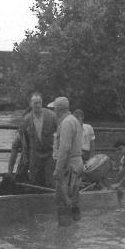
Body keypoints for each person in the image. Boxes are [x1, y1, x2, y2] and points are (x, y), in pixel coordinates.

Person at [48, 97, 84, 226]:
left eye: (54, 109)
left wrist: (58, 170)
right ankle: (74, 231)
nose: (53, 112)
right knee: (73, 199)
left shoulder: (66, 123)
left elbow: (64, 149)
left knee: (62, 200)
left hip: (69, 167)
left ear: (58, 110)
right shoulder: (74, 120)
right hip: (77, 164)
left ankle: (64, 239)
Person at [22, 92, 57, 187]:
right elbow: (25, 141)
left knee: (50, 181)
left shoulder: (52, 116)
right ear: (30, 104)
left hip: (49, 154)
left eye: (39, 102)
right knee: (35, 182)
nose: (38, 105)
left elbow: (60, 134)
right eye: (35, 103)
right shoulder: (26, 119)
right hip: (35, 155)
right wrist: (25, 157)